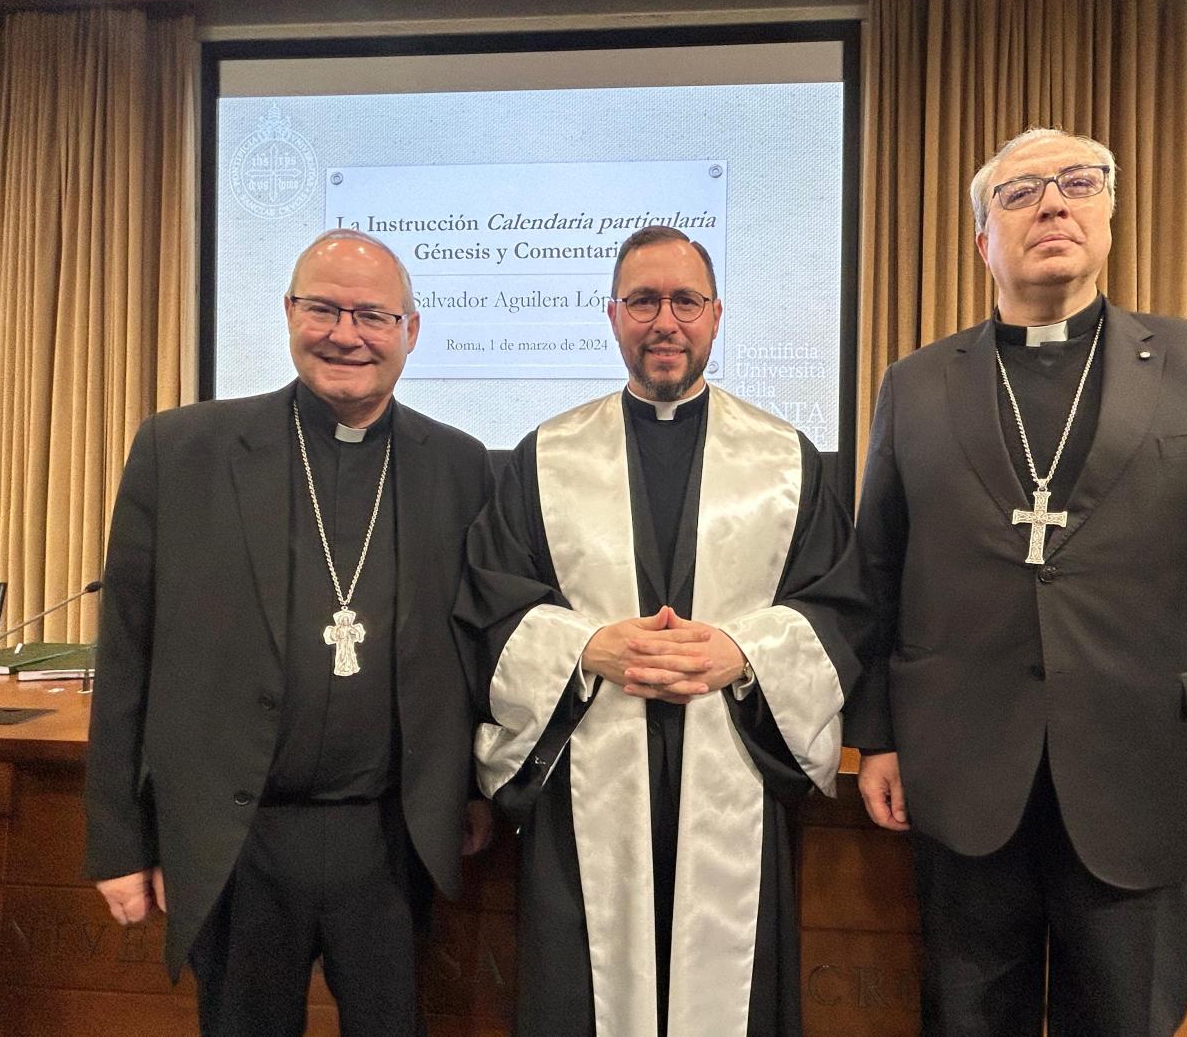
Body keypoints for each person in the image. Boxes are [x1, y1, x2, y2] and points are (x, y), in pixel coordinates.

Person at [845, 128, 1187, 1036]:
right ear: (982, 240)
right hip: (963, 785)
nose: (1052, 202)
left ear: (1110, 214)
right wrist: (877, 736)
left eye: (1078, 182)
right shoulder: (915, 385)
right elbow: (880, 576)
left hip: (1159, 785)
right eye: (1019, 192)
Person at [456, 225, 867, 1037]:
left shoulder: (786, 460)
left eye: (686, 301)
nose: (665, 322)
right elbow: (491, 603)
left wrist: (744, 651)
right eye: (643, 301)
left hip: (733, 766)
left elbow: (840, 606)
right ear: (613, 315)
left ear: (717, 315)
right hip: (588, 779)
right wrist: (586, 647)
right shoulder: (546, 457)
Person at [85, 230, 493, 1036]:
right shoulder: (182, 451)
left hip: (388, 837)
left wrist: (474, 786)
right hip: (240, 838)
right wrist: (119, 842)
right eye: (323, 309)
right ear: (287, 312)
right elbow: (127, 654)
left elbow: (473, 646)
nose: (346, 334)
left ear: (411, 330)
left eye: (372, 315)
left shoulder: (459, 465)